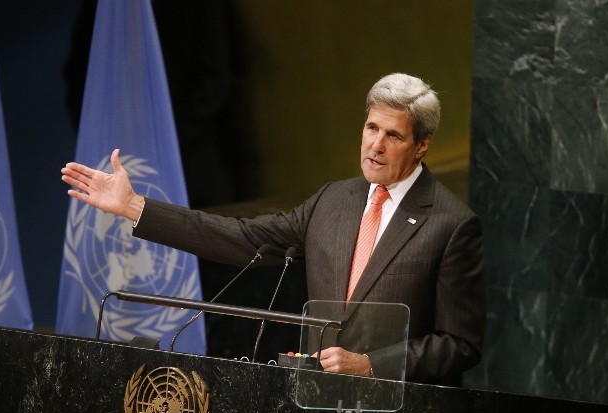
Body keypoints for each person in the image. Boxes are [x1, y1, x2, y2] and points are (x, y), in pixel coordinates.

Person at [61, 73, 486, 386]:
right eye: (371, 127)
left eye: (393, 135)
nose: (375, 145)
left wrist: (371, 364)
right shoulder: (333, 201)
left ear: (422, 145)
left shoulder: (450, 224)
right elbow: (241, 238)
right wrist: (135, 207)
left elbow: (460, 343)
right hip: (317, 407)